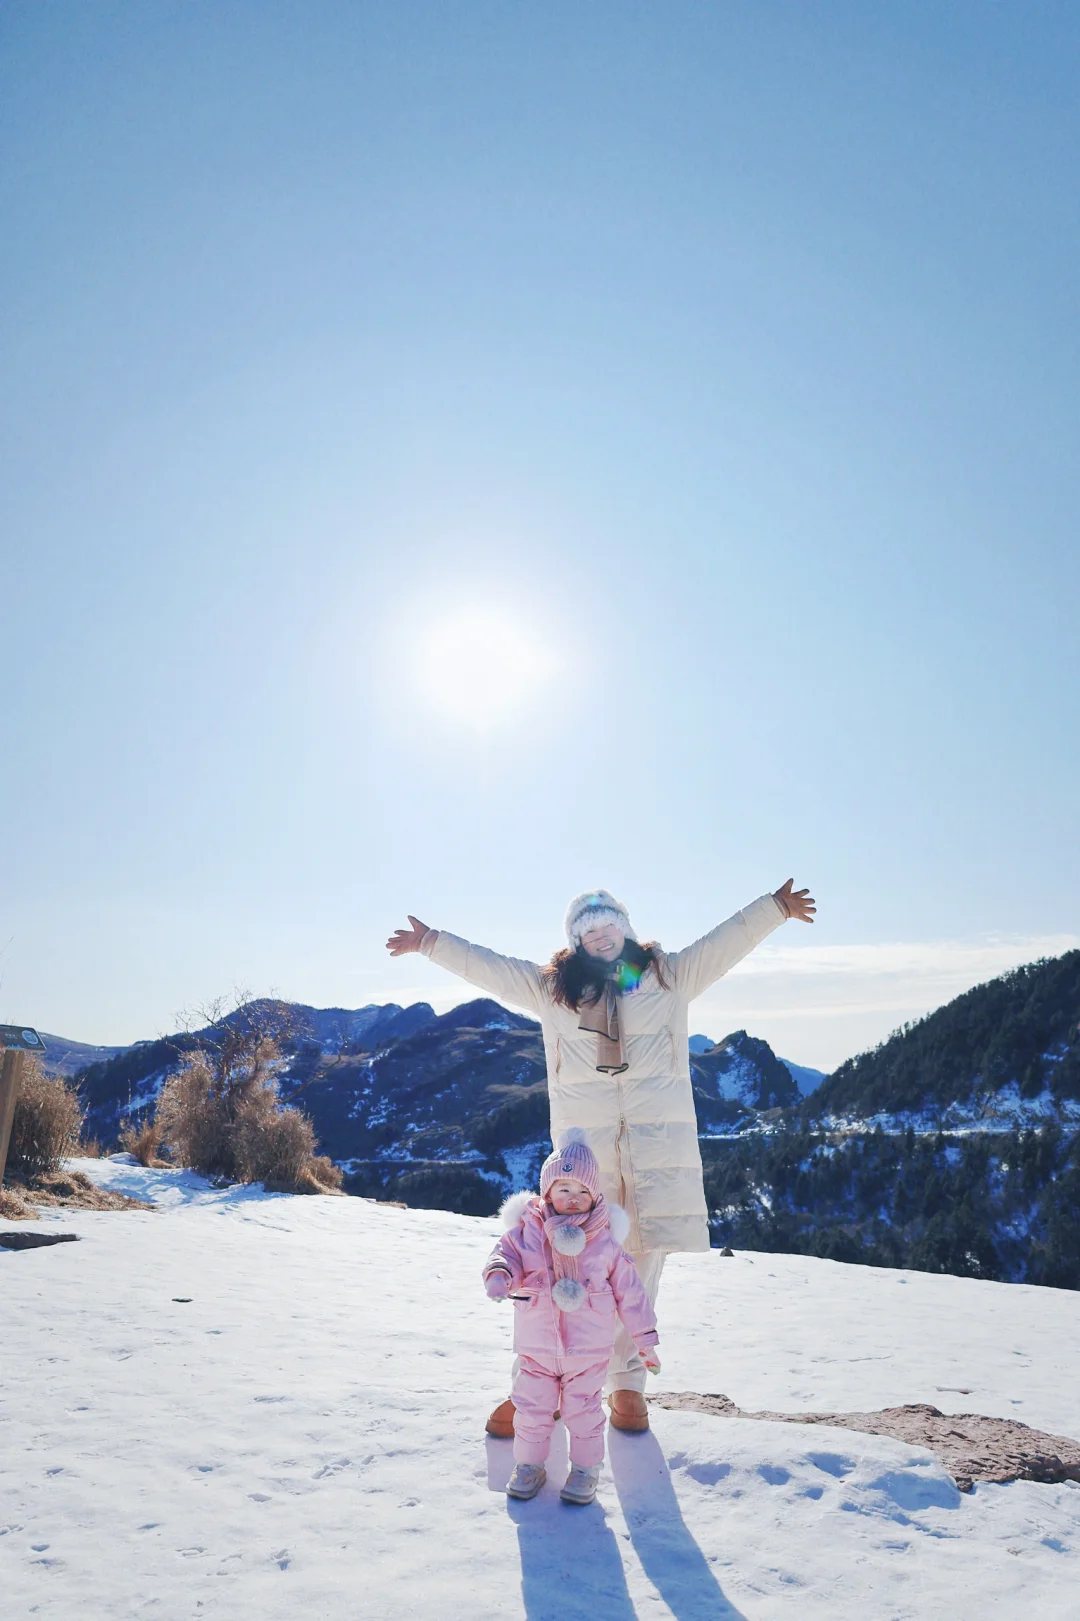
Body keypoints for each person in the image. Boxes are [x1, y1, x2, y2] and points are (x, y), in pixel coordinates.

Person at [386, 877, 816, 1435]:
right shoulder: (553, 991)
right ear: (576, 941)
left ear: (625, 928)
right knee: (566, 1269)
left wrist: (774, 908)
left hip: (654, 1151)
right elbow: (490, 967)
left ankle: (627, 1387)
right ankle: (548, 1387)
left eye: (609, 927)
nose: (602, 938)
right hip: (584, 1159)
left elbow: (721, 943)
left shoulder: (667, 976)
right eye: (589, 933)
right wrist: (432, 942)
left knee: (640, 1267)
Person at [484, 1130, 659, 1505]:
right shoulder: (527, 1232)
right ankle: (529, 1465)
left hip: (587, 1350)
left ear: (594, 1196)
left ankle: (585, 1470)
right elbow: (505, 1254)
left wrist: (645, 1341)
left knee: (583, 1412)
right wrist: (500, 1274)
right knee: (532, 1409)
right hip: (537, 1346)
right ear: (547, 1193)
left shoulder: (604, 1241)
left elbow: (631, 1292)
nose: (573, 1198)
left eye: (582, 1191)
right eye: (563, 1189)